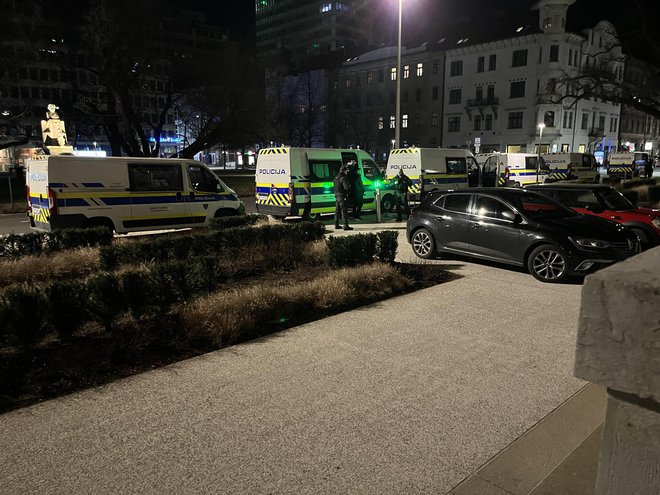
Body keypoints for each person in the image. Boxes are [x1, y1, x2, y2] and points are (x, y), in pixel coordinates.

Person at [333, 165, 353, 230]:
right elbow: (346, 188)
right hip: (342, 196)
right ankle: (345, 225)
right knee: (344, 211)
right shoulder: (343, 178)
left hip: (337, 196)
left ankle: (336, 225)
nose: (347, 172)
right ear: (344, 171)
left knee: (337, 211)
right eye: (346, 171)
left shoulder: (336, 178)